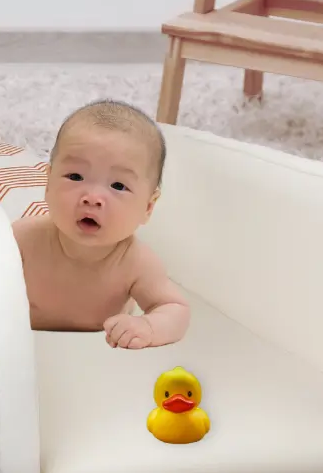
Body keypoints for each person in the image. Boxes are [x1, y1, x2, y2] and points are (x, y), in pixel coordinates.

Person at [11, 99, 190, 349]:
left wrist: (148, 327)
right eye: (75, 176)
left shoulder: (137, 263)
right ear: (48, 182)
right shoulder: (20, 240)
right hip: (25, 349)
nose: (92, 198)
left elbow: (175, 309)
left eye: (118, 186)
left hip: (89, 357)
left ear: (148, 207)